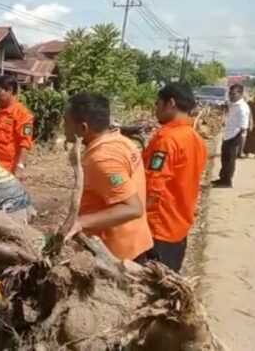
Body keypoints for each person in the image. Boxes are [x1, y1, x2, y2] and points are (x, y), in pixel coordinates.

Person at [63, 92, 154, 263]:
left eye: (66, 122)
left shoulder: (102, 159)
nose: (63, 127)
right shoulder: (122, 141)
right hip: (136, 242)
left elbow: (132, 208)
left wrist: (81, 222)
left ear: (83, 128)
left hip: (117, 255)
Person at [143, 83, 207, 272]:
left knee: (151, 290)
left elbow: (153, 188)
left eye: (157, 104)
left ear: (170, 103)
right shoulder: (195, 139)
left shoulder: (167, 139)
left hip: (158, 229)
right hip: (179, 227)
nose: (155, 110)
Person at [0, 75, 34, 178]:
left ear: (10, 90)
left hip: (6, 170)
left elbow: (25, 144)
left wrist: (19, 168)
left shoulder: (23, 115)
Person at [212, 84, 250, 188]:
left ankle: (227, 181)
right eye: (230, 93)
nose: (231, 96)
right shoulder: (234, 104)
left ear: (240, 94)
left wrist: (236, 138)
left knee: (230, 159)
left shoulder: (243, 107)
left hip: (234, 136)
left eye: (233, 94)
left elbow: (243, 126)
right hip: (228, 134)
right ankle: (222, 178)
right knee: (225, 158)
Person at [242, 90, 255, 158]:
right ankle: (247, 153)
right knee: (249, 139)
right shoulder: (250, 104)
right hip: (250, 124)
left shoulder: (251, 104)